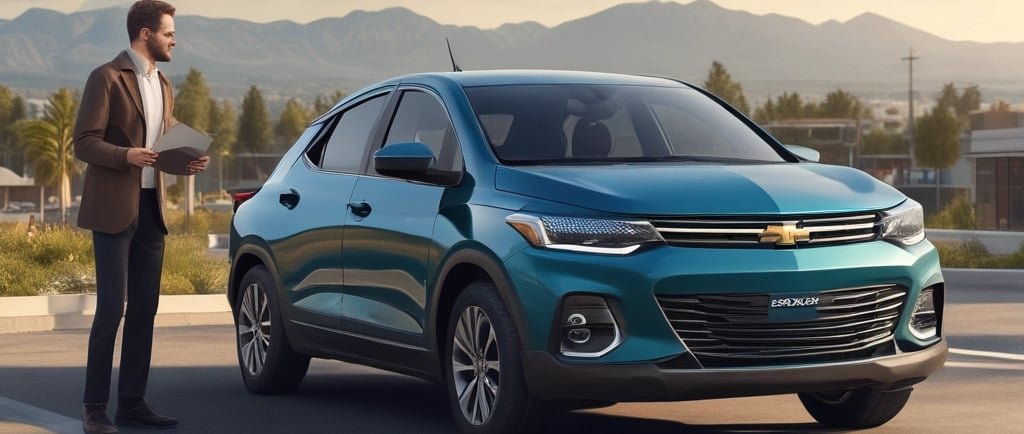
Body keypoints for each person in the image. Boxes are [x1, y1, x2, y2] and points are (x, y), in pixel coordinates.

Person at [73, 1, 208, 433]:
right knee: (112, 308)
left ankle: (132, 402)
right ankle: (95, 407)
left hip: (152, 210)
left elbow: (159, 143)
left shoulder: (164, 83)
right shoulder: (106, 78)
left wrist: (184, 160)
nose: (174, 39)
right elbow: (84, 142)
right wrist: (125, 155)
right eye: (168, 32)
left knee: (145, 310)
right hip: (113, 211)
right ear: (145, 33)